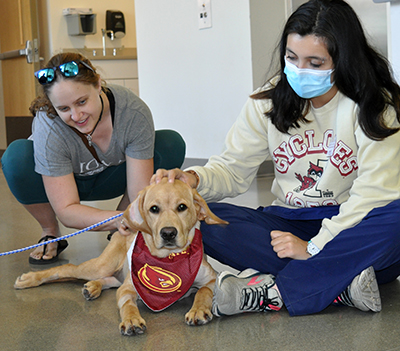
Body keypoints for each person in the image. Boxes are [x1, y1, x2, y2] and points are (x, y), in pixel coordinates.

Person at [152, 0, 400, 317]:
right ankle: (341, 285)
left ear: (344, 60)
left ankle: (275, 292)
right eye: (292, 58)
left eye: (315, 62)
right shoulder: (266, 101)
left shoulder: (376, 105)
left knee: (396, 217)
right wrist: (195, 179)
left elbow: (375, 195)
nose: (300, 71)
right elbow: (232, 169)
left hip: (354, 227)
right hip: (288, 224)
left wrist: (314, 247)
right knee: (204, 219)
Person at [1, 52, 185, 264]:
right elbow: (67, 210)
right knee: (16, 157)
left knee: (170, 143)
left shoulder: (132, 111)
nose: (76, 116)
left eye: (81, 101)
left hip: (111, 178)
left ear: (98, 85)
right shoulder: (48, 125)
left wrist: (125, 218)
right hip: (62, 185)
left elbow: (139, 194)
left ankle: (120, 231)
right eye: (64, 108)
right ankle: (50, 232)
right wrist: (119, 220)